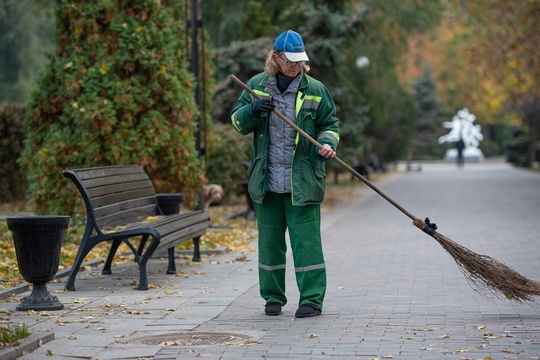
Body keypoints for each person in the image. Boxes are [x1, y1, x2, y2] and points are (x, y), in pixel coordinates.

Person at [230, 30, 340, 318]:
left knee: (307, 245)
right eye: (290, 61)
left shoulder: (315, 89)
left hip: (302, 182)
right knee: (270, 244)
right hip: (266, 183)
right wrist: (253, 109)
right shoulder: (255, 85)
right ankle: (273, 298)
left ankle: (312, 300)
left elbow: (330, 124)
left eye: (299, 61)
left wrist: (327, 143)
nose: (296, 66)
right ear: (276, 58)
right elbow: (238, 123)